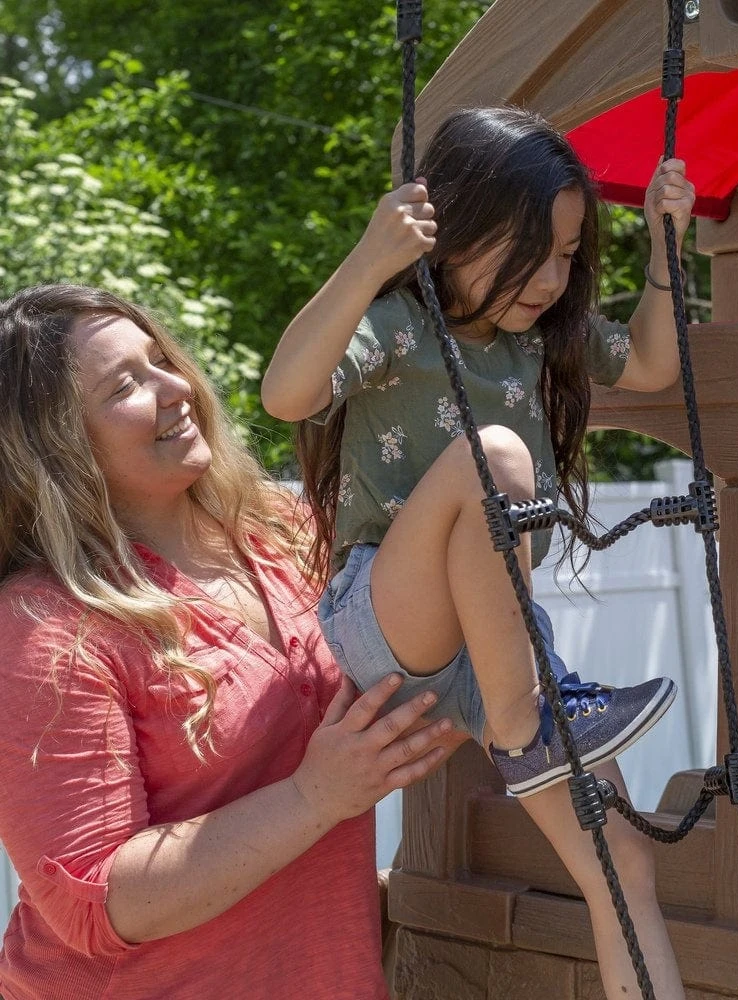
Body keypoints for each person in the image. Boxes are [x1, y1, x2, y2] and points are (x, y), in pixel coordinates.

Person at [262, 106, 695, 998]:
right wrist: (372, 257)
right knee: (497, 457)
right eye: (530, 248)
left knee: (624, 867)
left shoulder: (540, 342)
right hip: (388, 614)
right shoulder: (398, 329)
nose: (552, 275)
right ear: (454, 230)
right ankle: (530, 727)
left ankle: (527, 721)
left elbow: (653, 365)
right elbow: (287, 393)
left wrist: (664, 250)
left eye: (570, 253)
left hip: (497, 646)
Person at [0, 283, 458, 1000]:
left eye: (160, 359)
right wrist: (315, 796)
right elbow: (98, 900)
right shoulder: (45, 626)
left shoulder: (286, 528)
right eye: (126, 384)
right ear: (54, 447)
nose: (176, 387)